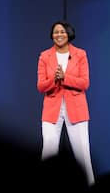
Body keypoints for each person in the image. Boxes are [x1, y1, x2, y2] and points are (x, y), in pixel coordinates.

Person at [37, 21, 95, 185]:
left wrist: (65, 78)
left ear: (68, 33)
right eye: (55, 32)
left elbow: (84, 83)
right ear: (51, 35)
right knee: (48, 151)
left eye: (62, 31)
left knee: (82, 153)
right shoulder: (44, 56)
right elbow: (41, 86)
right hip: (51, 109)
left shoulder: (80, 54)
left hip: (76, 108)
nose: (59, 35)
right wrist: (54, 80)